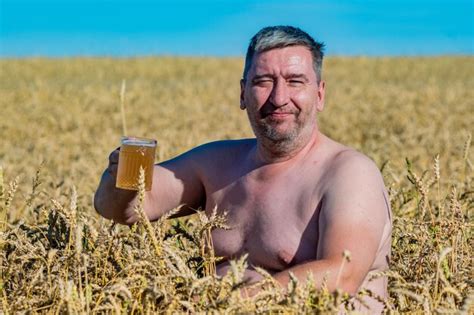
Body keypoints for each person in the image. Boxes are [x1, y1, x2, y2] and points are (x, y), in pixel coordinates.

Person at [94, 25, 392, 313]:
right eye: (263, 81)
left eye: (295, 81)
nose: (278, 98)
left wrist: (228, 305)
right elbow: (121, 210)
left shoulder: (349, 174)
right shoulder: (217, 163)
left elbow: (340, 276)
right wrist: (122, 172)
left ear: (320, 94)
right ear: (242, 93)